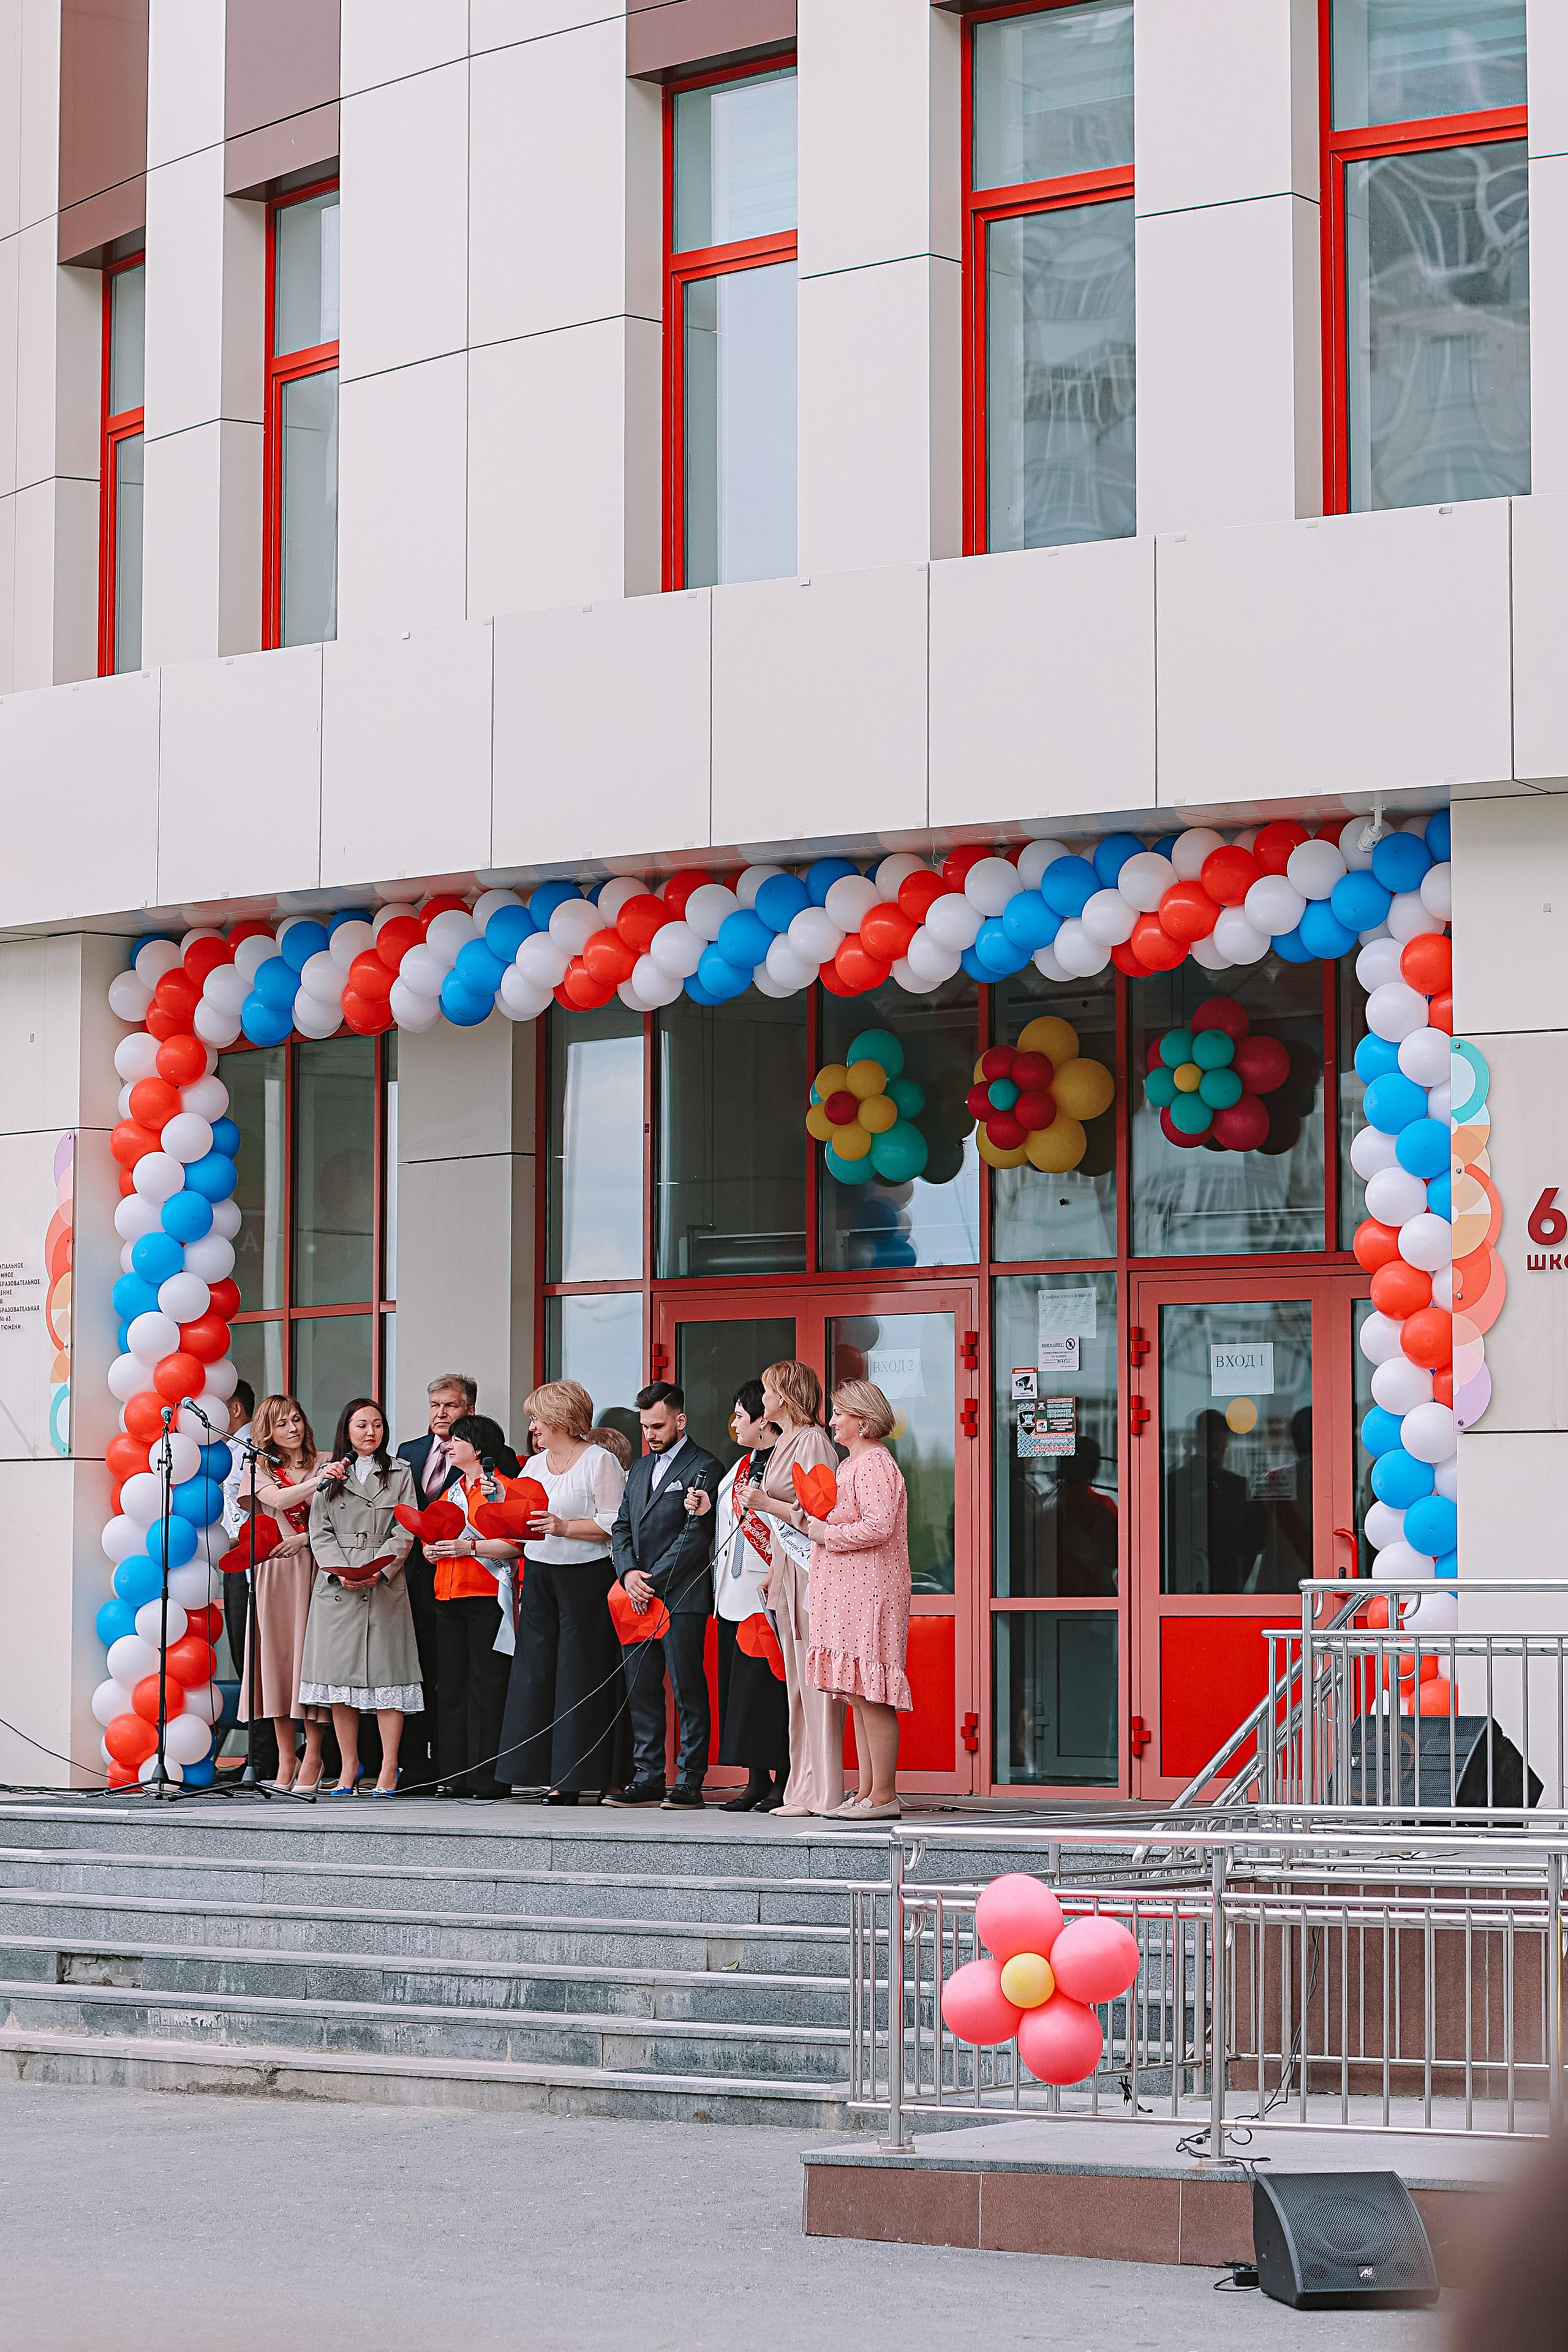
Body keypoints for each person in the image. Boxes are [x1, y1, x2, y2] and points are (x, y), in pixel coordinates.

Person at [496, 1379, 627, 1805]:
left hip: (585, 1578)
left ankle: (572, 1779)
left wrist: (565, 1526)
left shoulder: (598, 1461)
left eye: (537, 1418)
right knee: (535, 1673)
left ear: (559, 1418)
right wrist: (498, 1502)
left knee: (578, 1675)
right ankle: (532, 1770)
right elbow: (521, 1520)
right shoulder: (533, 1466)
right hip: (540, 1574)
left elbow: (615, 1524)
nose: (532, 1427)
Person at [795, 1380, 911, 1821]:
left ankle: (883, 1795)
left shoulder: (875, 1464)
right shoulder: (851, 1465)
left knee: (873, 1692)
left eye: (840, 1414)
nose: (832, 1421)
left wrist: (825, 1533)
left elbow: (878, 1526)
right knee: (861, 1694)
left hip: (870, 1591)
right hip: (847, 1591)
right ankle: (867, 1792)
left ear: (862, 1420)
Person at [606, 1382, 722, 1811]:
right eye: (645, 1426)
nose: (650, 1434)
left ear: (681, 1420)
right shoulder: (638, 1469)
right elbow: (621, 1527)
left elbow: (697, 1537)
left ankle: (690, 1781)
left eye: (657, 1425)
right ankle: (648, 1775)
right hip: (636, 1595)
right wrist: (628, 1573)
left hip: (681, 1596)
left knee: (687, 1686)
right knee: (642, 1688)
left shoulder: (705, 1465)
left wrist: (649, 1580)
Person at [301, 1398, 421, 1795]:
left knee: (390, 1676)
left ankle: (390, 1765)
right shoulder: (329, 1475)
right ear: (346, 1431)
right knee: (341, 1683)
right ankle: (349, 1765)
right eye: (361, 1426)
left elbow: (406, 1528)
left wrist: (381, 1569)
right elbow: (319, 1532)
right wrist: (340, 1571)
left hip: (386, 1581)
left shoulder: (400, 1472)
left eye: (378, 1425)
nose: (371, 1433)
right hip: (337, 1588)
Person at [742, 1360, 843, 1818]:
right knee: (797, 1687)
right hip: (788, 1573)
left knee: (816, 1684)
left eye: (766, 1391)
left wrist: (766, 1503)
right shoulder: (785, 1441)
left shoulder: (813, 1441)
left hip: (812, 1575)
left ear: (783, 1395)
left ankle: (823, 1790)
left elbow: (822, 1516)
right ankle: (800, 1788)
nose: (762, 1400)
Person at [421, 1411, 523, 1800]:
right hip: (448, 1596)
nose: (449, 1445)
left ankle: (489, 1777)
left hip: (486, 1596)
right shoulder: (450, 1492)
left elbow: (516, 1544)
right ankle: (454, 1774)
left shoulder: (503, 1489)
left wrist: (469, 1547)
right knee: (451, 1688)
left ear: (478, 1448)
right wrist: (433, 1550)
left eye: (457, 1440)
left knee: (487, 1687)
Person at [238, 1393, 331, 1792]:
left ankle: (313, 1754)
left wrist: (307, 1538)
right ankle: (285, 1756)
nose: (292, 1428)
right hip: (274, 1570)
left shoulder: (326, 1461)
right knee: (276, 1664)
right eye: (281, 1424)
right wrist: (318, 1483)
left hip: (315, 1567)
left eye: (296, 1419)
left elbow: (341, 1522)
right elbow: (276, 1501)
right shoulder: (258, 1468)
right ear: (267, 1432)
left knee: (310, 1663)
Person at [397, 1373, 477, 1785]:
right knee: (414, 1671)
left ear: (470, 1411)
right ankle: (414, 1765)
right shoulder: (408, 1451)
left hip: (461, 1578)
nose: (441, 1413)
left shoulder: (486, 1454)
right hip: (410, 1580)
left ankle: (452, 1766)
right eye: (435, 1405)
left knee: (452, 1675)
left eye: (450, 1406)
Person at [712, 1381, 788, 1812]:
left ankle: (784, 1775)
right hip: (731, 1593)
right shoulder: (739, 1465)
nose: (735, 1423)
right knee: (740, 1694)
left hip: (765, 1593)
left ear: (764, 1420)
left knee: (768, 1690)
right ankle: (755, 1778)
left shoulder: (781, 1462)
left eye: (741, 1415)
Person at [219, 1378, 258, 1677]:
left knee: (250, 1652)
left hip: (252, 1558)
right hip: (233, 1558)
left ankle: (263, 1724)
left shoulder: (252, 1448)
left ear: (235, 1409)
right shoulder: (225, 1450)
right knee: (238, 1646)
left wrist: (231, 1541)